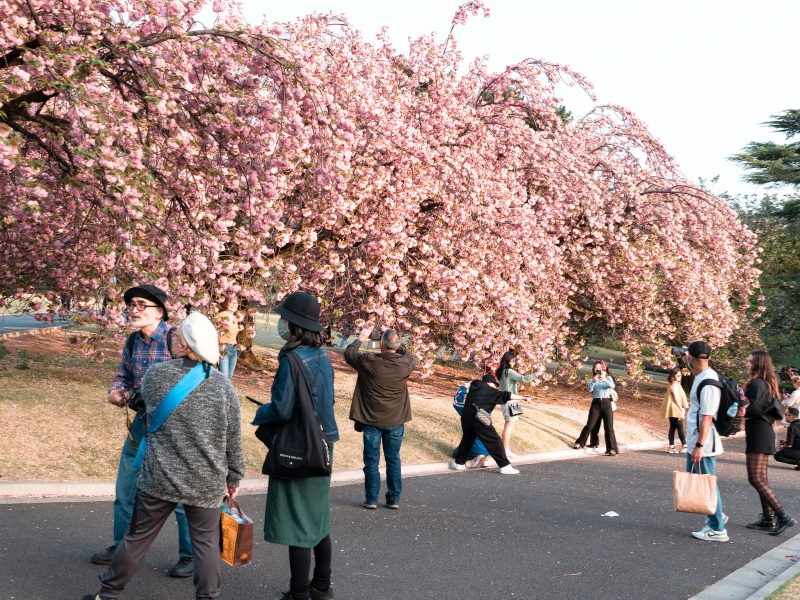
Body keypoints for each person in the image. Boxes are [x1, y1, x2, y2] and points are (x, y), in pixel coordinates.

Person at [83, 312, 245, 600]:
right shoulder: (223, 386)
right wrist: (233, 477)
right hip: (205, 480)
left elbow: (140, 402)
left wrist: (124, 398)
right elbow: (233, 439)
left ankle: (106, 595)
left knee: (136, 540)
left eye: (176, 335)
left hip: (159, 477)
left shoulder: (156, 375)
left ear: (185, 345)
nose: (170, 338)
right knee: (206, 544)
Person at [91, 284, 194, 577]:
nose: (133, 309)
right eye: (131, 304)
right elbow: (123, 374)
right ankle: (120, 547)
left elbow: (196, 379)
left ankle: (189, 555)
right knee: (125, 490)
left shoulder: (178, 340)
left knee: (178, 497)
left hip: (174, 428)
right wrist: (117, 391)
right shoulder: (133, 342)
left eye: (140, 304)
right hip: (140, 426)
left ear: (159, 311)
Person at [252, 292, 338, 600]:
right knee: (317, 517)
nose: (280, 323)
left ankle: (299, 591)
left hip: (298, 447)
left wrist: (259, 413)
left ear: (295, 325)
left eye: (284, 319)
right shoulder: (323, 358)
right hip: (325, 442)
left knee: (297, 520)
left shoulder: (291, 359)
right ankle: (322, 586)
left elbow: (282, 409)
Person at [346, 326, 415, 510]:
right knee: (393, 460)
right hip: (395, 420)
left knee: (371, 460)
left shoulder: (370, 362)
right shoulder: (405, 364)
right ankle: (393, 499)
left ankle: (371, 499)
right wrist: (397, 345)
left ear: (381, 345)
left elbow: (350, 353)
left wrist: (361, 337)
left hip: (372, 420)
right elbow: (410, 356)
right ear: (398, 345)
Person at [742, 350, 795, 535]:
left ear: (758, 363)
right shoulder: (767, 383)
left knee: (755, 478)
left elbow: (755, 408)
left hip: (759, 433)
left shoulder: (757, 383)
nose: (747, 363)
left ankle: (782, 516)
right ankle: (767, 519)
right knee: (761, 479)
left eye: (750, 360)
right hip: (762, 432)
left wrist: (741, 408)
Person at [681, 341, 728, 542]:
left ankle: (718, 529)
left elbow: (707, 416)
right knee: (707, 483)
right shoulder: (703, 376)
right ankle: (716, 517)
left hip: (704, 443)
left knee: (707, 484)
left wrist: (699, 446)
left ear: (692, 357)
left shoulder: (709, 383)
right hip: (699, 440)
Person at [449, 374, 532, 474]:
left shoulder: (474, 385)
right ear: (490, 383)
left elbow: (469, 385)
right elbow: (508, 395)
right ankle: (504, 466)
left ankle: (459, 463)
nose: (495, 387)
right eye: (494, 385)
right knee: (494, 440)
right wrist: (524, 398)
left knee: (467, 439)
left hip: (466, 417)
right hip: (479, 417)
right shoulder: (490, 390)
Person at [573, 360, 619, 456]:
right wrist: (594, 381)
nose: (598, 369)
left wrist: (604, 378)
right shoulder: (592, 380)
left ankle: (612, 449)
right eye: (596, 368)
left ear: (603, 368)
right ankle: (580, 443)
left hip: (607, 403)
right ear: (594, 369)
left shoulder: (608, 378)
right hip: (596, 404)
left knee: (609, 427)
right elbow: (590, 389)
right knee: (590, 425)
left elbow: (612, 386)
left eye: (600, 367)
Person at [496, 349, 535, 457]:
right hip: (511, 401)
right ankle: (505, 449)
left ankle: (505, 448)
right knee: (509, 425)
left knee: (509, 425)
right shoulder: (509, 371)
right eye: (513, 360)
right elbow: (524, 379)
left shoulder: (500, 371)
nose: (514, 362)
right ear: (508, 360)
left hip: (509, 400)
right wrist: (537, 373)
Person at [452, 381, 491, 469]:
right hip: (489, 446)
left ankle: (477, 456)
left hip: (474, 445)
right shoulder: (487, 406)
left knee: (456, 452)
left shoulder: (468, 409)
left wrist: (463, 388)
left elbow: (456, 403)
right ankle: (485, 457)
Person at [660, 368, 689, 453]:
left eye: (681, 375)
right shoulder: (674, 385)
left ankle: (671, 447)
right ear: (674, 376)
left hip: (672, 408)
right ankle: (684, 446)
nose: (680, 377)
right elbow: (676, 398)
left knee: (673, 427)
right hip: (675, 408)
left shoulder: (674, 384)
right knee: (679, 427)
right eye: (678, 376)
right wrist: (681, 409)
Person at [217, 296, 241, 379]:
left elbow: (232, 334)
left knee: (229, 377)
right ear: (226, 303)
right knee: (224, 377)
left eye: (236, 303)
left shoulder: (235, 318)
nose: (234, 305)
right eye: (232, 302)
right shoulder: (221, 315)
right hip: (224, 348)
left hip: (233, 349)